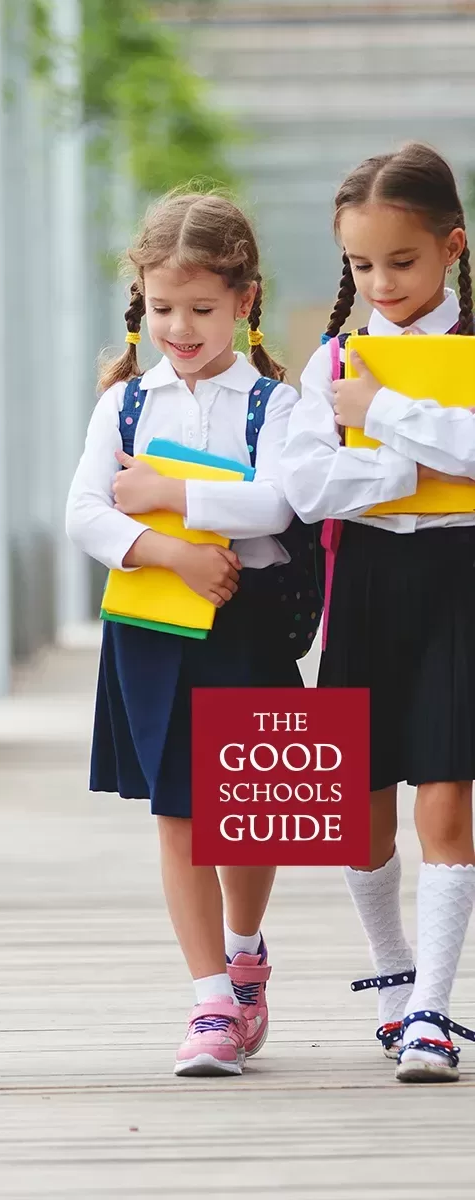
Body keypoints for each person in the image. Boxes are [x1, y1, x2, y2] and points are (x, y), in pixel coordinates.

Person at [66, 190, 308, 1077]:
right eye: (164, 307)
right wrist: (173, 551)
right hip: (155, 630)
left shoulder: (276, 406)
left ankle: (245, 955)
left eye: (202, 309)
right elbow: (84, 513)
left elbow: (279, 503)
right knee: (180, 813)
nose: (180, 327)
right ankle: (210, 1000)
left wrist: (167, 494)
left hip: (247, 629)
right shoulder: (124, 405)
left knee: (250, 815)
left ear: (244, 301)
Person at [283, 142, 475, 1083]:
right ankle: (394, 981)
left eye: (402, 260)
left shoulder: (386, 374)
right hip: (362, 581)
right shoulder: (330, 362)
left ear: (453, 246)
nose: (382, 283)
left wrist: (383, 413)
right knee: (357, 799)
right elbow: (306, 487)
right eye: (362, 264)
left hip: (460, 579)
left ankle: (435, 1007)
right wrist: (421, 461)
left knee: (446, 781)